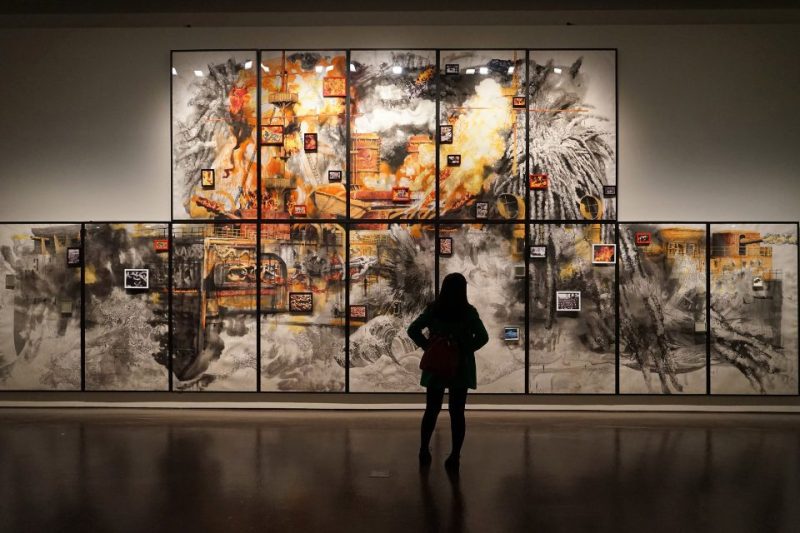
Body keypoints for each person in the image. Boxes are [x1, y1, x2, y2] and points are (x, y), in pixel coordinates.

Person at [407, 272, 489, 472]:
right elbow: (483, 337)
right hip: (460, 368)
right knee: (457, 413)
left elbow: (413, 329)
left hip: (436, 366)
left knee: (431, 409)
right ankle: (454, 456)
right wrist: (464, 349)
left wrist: (429, 346)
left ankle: (424, 450)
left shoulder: (434, 310)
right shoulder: (468, 312)